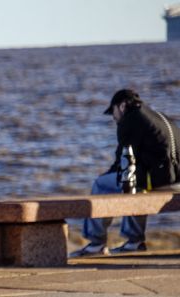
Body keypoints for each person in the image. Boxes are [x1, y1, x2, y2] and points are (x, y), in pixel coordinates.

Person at [71, 89, 180, 257]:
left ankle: (96, 244)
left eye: (113, 112)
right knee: (135, 182)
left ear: (122, 106)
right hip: (176, 182)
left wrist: (106, 176)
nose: (113, 117)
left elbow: (122, 159)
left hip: (162, 182)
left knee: (103, 184)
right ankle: (134, 243)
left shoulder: (130, 120)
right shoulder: (157, 116)